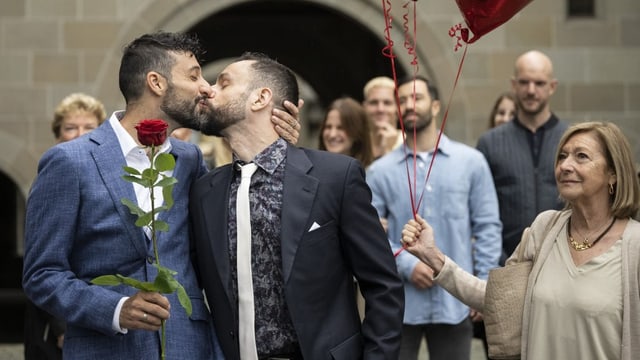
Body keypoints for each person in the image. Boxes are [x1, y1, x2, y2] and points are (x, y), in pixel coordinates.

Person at [22, 31, 301, 359]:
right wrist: (115, 309)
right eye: (194, 75)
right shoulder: (70, 162)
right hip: (104, 349)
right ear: (156, 82)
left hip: (190, 347)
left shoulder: (190, 159)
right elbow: (42, 274)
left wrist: (276, 150)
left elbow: (236, 230)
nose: (205, 87)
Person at [190, 52, 404, 359]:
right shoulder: (204, 192)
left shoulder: (335, 177)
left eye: (223, 83)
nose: (209, 89)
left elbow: (382, 285)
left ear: (261, 98)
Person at [401, 121, 640, 360]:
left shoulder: (635, 246)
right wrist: (433, 257)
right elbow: (499, 300)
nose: (565, 166)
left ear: (613, 174)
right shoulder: (544, 228)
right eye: (562, 156)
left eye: (581, 157)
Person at [366, 75, 502, 360]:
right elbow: (369, 234)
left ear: (436, 105)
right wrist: (406, 264)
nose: (408, 105)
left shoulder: (471, 162)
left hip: (456, 301)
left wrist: (484, 285)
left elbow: (487, 227)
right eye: (401, 100)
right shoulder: (380, 172)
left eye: (416, 98)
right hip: (400, 304)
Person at [23, 92, 106, 360]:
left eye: (88, 128)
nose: (79, 134)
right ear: (58, 134)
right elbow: (44, 263)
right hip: (56, 321)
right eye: (70, 127)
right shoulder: (54, 174)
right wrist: (61, 325)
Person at [477, 50, 569, 263]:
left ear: (552, 86)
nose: (531, 90)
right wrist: (498, 259)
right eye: (524, 82)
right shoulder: (490, 143)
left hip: (563, 262)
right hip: (506, 263)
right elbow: (479, 208)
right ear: (513, 85)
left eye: (539, 83)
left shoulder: (571, 139)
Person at [318, 96, 374, 168]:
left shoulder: (372, 174)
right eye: (328, 127)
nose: (332, 134)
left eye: (340, 128)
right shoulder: (312, 173)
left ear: (357, 132)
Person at [362, 76, 403, 159]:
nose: (380, 109)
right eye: (374, 103)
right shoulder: (357, 143)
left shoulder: (411, 143)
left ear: (398, 108)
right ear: (364, 107)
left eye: (387, 103)